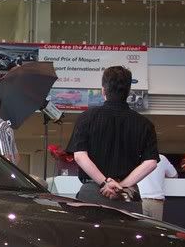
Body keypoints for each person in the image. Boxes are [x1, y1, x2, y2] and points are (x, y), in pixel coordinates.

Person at [65, 66, 159, 213]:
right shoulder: (145, 124)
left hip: (92, 193)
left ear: (103, 90)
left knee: (88, 228)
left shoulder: (86, 118)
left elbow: (80, 156)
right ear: (128, 91)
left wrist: (105, 183)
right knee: (128, 229)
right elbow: (151, 162)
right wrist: (122, 186)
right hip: (128, 195)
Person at [137, 154, 178, 220]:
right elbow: (174, 175)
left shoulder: (133, 157)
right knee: (156, 226)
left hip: (138, 201)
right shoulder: (161, 158)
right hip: (156, 201)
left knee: (138, 226)